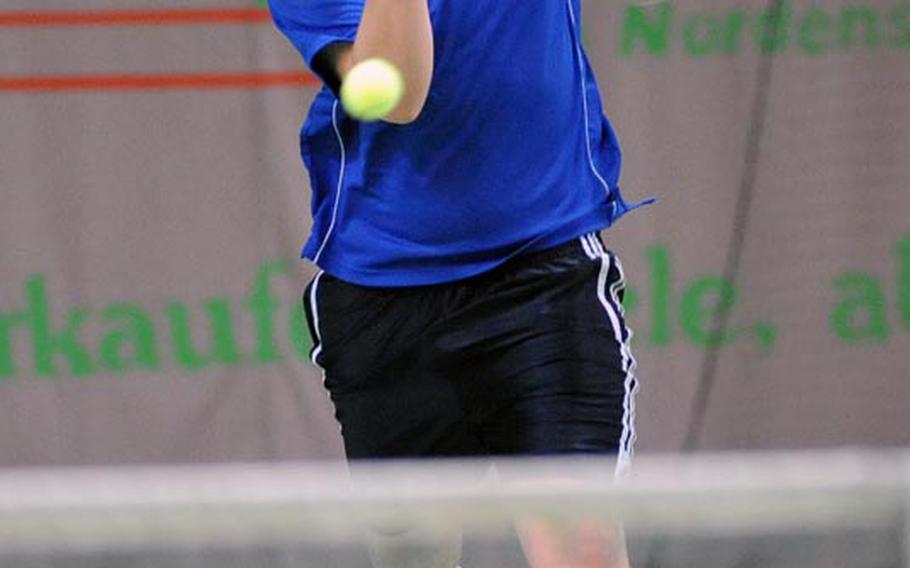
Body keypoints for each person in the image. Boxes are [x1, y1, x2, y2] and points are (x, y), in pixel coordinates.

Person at [269, 1, 648, 566]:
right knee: (413, 556)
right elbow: (396, 93)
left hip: (541, 276)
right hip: (385, 297)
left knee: (583, 544)